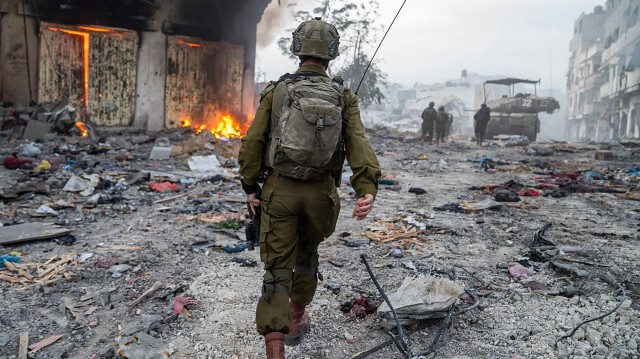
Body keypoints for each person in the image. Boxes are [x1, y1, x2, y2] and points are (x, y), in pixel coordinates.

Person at [238, 17, 381, 359]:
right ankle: (298, 319)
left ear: (297, 50)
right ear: (332, 54)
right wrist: (366, 188)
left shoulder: (277, 91)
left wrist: (250, 185)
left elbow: (253, 142)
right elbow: (358, 143)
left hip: (279, 191)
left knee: (277, 269)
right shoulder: (343, 96)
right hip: (321, 195)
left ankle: (276, 345)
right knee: (306, 258)